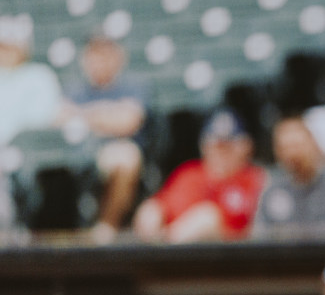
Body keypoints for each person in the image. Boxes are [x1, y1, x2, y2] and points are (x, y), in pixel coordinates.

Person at [58, 35, 148, 244]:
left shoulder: (133, 86)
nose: (99, 63)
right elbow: (59, 118)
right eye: (94, 57)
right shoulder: (76, 89)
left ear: (118, 59)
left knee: (125, 157)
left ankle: (106, 226)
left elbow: (128, 121)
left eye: (105, 56)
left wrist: (84, 115)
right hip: (76, 153)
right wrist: (105, 114)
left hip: (110, 150)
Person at [131, 108, 265, 243]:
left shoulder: (254, 178)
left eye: (228, 146)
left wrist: (172, 238)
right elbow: (161, 204)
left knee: (207, 218)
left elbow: (232, 226)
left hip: (228, 256)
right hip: (178, 252)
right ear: (205, 146)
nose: (222, 152)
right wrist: (153, 211)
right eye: (217, 145)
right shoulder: (189, 173)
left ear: (246, 146)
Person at [253, 116, 325, 237]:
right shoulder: (273, 192)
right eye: (285, 148)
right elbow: (263, 237)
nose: (293, 154)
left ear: (313, 145)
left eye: (297, 145)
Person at [0, 14, 62, 147]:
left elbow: (42, 118)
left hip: (27, 147)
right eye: (3, 47)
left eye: (10, 47)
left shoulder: (40, 76)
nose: (5, 53)